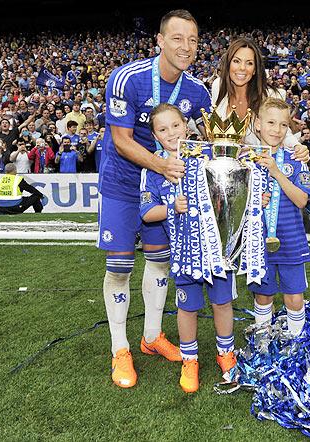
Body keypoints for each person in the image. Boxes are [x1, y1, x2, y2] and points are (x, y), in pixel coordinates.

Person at [97, 9, 210, 389]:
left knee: (161, 264)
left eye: (193, 40)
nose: (186, 47)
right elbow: (121, 140)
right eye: (177, 38)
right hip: (123, 183)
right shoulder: (128, 78)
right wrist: (163, 166)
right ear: (160, 41)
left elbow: (212, 141)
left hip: (166, 187)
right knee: (120, 267)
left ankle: (151, 337)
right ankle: (120, 349)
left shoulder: (198, 91)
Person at [138, 103, 239, 393]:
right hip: (184, 253)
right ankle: (190, 359)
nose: (171, 133)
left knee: (222, 302)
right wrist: (172, 206)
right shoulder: (154, 167)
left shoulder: (209, 154)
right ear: (155, 136)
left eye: (175, 125)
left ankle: (225, 354)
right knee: (187, 307)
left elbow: (241, 169)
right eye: (162, 129)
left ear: (186, 125)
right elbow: (146, 211)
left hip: (217, 249)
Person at [251, 98, 310, 339]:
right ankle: (263, 341)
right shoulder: (246, 159)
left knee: (294, 295)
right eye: (270, 123)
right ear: (257, 124)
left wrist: (276, 173)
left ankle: (296, 341)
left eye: (283, 125)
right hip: (257, 239)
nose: (277, 130)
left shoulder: (296, 159)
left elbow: (302, 200)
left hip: (291, 237)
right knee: (263, 294)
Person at [210, 37, 309, 161]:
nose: (242, 68)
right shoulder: (218, 87)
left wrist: (297, 146)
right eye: (236, 61)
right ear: (228, 64)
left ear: (255, 69)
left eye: (249, 63)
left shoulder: (271, 95)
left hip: (259, 169)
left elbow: (282, 131)